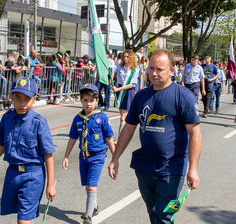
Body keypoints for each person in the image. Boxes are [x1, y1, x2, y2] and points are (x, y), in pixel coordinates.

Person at [108, 49, 201, 224]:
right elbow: (128, 128)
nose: (154, 73)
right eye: (151, 68)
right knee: (153, 213)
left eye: (159, 69)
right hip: (144, 167)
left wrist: (193, 168)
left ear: (172, 71)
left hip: (171, 167)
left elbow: (195, 133)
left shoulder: (183, 96)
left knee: (164, 216)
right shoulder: (141, 96)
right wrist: (115, 158)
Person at [0, 77, 56, 224]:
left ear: (34, 99)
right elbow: (1, 145)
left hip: (32, 176)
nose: (22, 103)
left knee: (23, 220)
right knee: (20, 216)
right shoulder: (7, 119)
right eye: (18, 98)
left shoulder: (39, 122)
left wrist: (50, 184)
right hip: (12, 174)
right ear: (12, 97)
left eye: (27, 99)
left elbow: (48, 155)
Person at [62, 84, 115, 224]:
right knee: (87, 186)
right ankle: (94, 207)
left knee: (91, 186)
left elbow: (109, 138)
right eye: (85, 100)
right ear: (81, 100)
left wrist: (115, 158)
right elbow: (73, 138)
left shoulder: (101, 117)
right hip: (84, 156)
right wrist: (66, 156)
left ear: (97, 101)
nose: (88, 104)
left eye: (91, 100)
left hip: (97, 156)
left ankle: (88, 217)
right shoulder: (78, 118)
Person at [112, 49, 138, 137]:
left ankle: (120, 138)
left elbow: (132, 84)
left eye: (127, 56)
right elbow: (113, 71)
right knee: (122, 117)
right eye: (124, 56)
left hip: (127, 92)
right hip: (119, 90)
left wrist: (118, 89)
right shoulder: (120, 66)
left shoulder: (134, 69)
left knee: (123, 117)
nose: (125, 58)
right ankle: (124, 134)